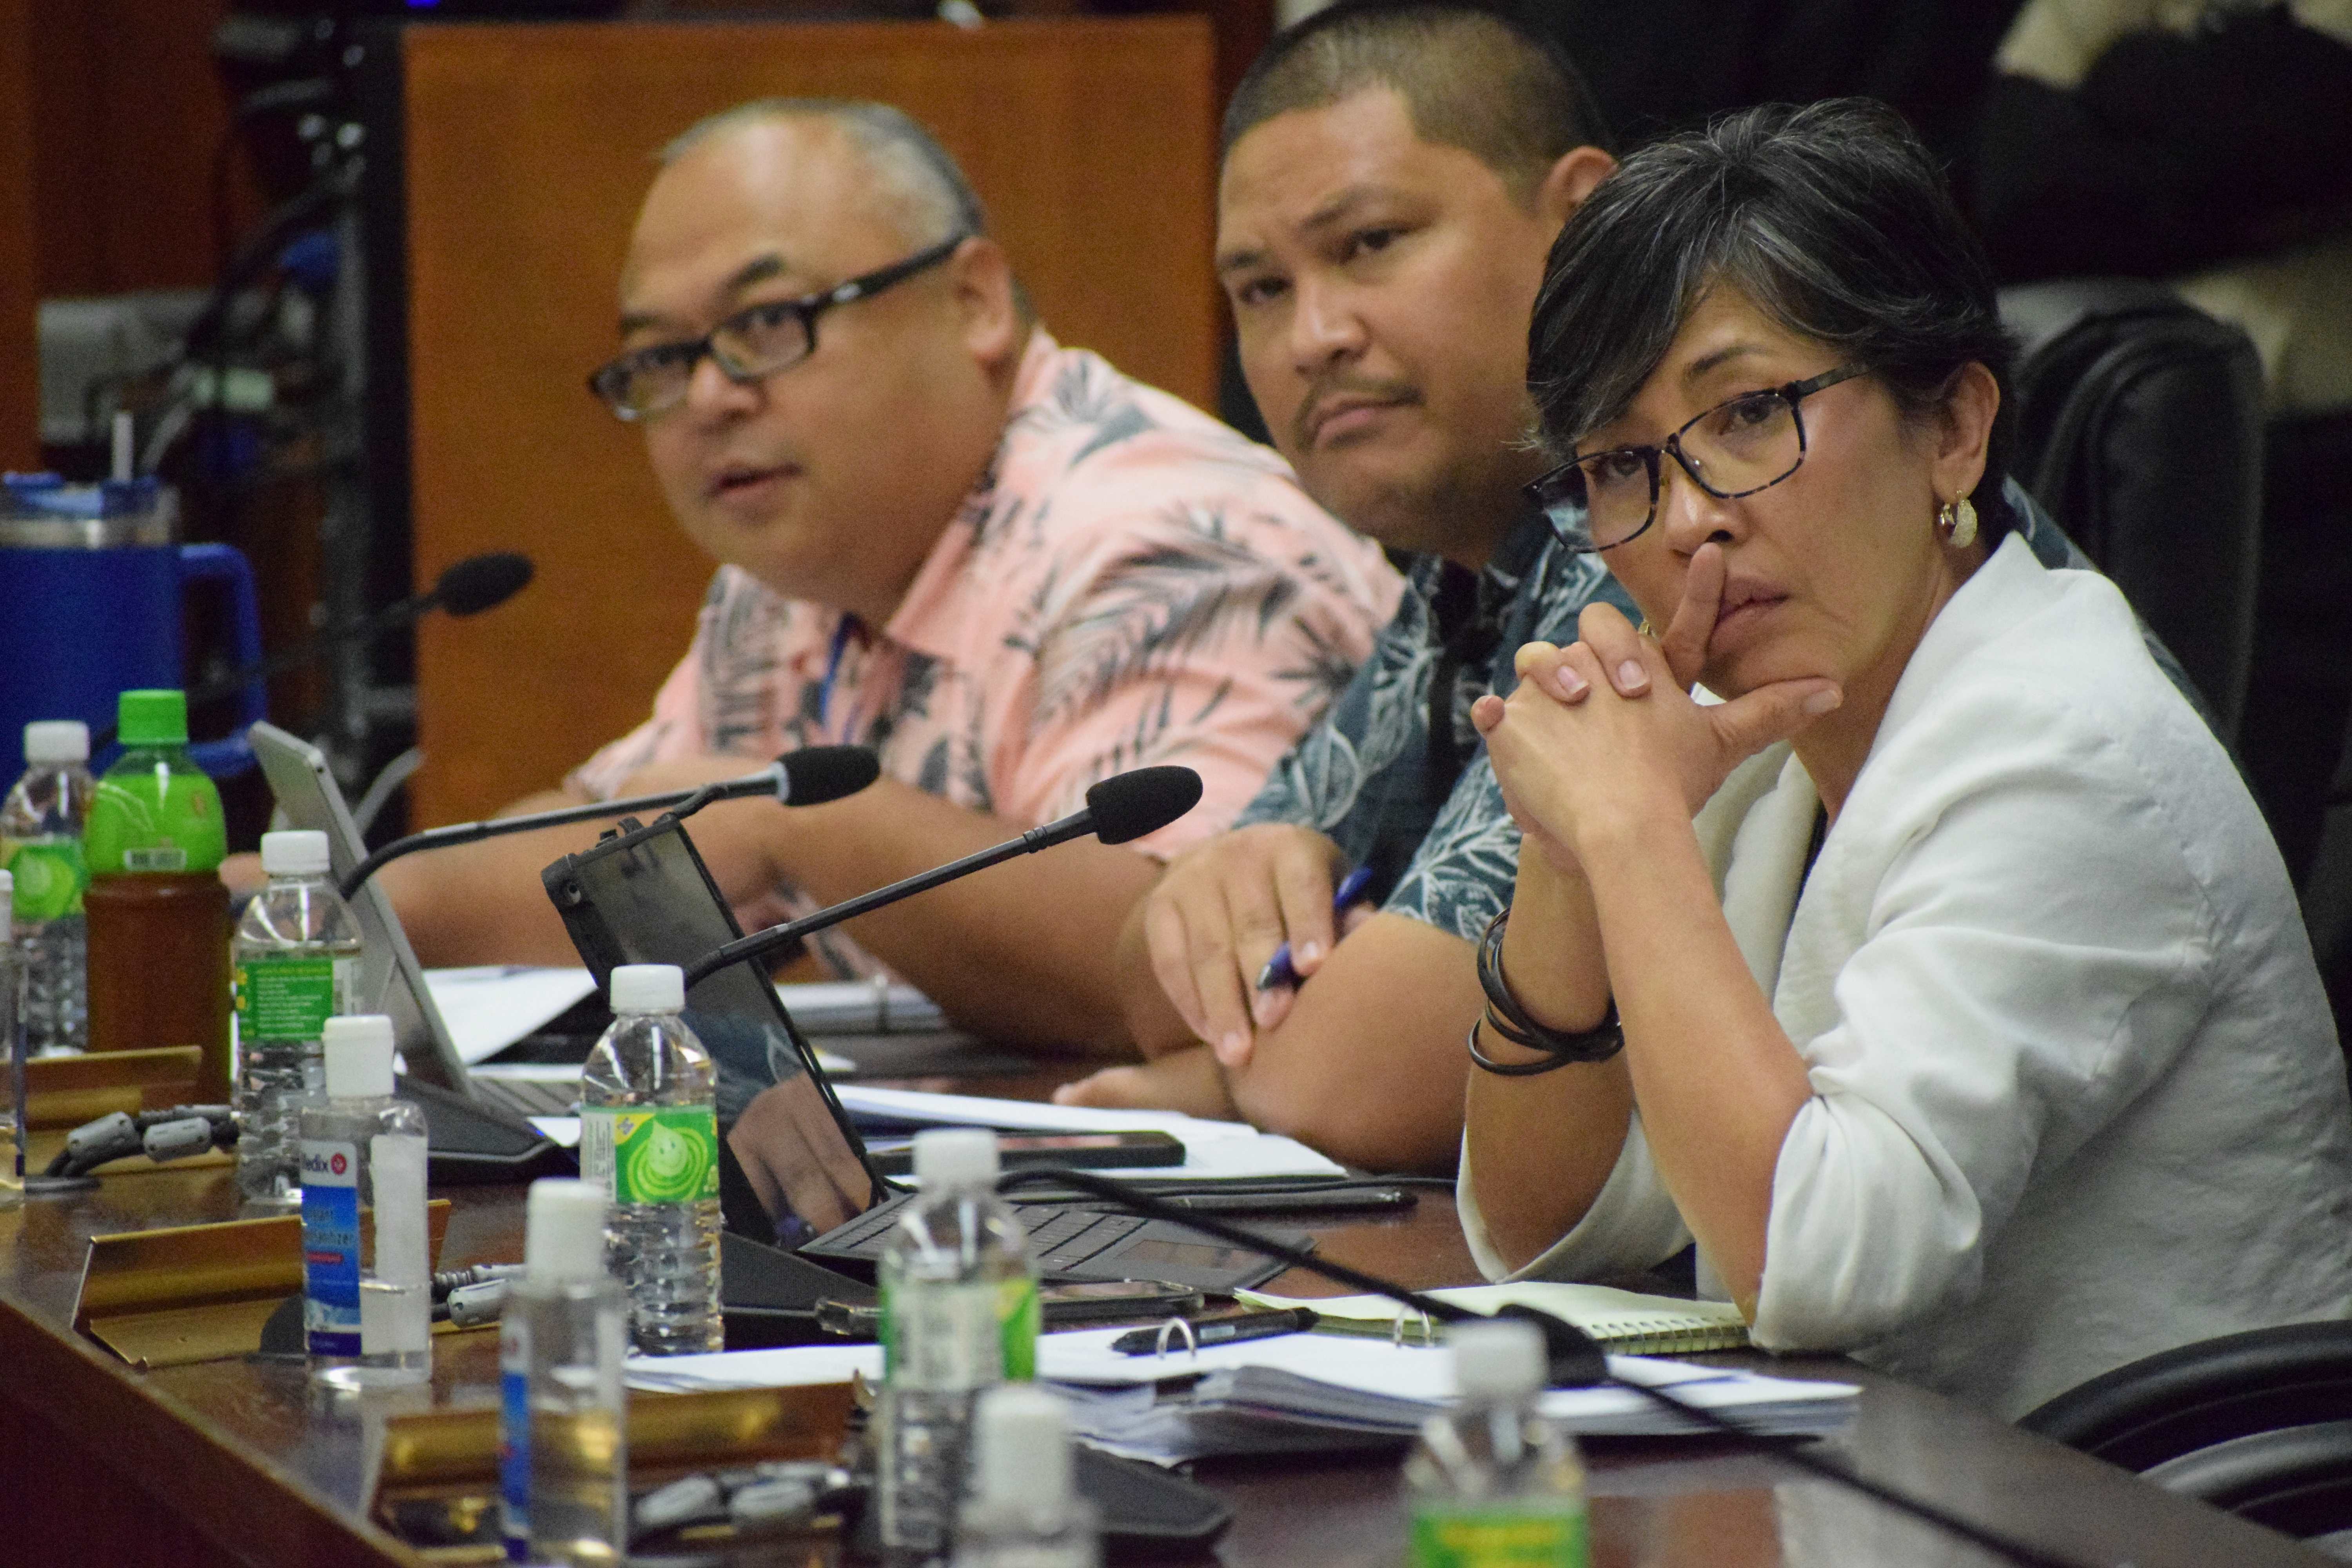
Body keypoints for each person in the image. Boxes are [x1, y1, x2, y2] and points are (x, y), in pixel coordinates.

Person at [1461, 100, 2352, 1417]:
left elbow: (1817, 1259)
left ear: (1954, 431)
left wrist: (1631, 830)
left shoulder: (2065, 747)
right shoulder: (1764, 744)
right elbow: (1551, 1228)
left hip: (2150, 1521)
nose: (1692, 517)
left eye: (1751, 412)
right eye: (1622, 463)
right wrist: (1570, 846)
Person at [366, 100, 1400, 1056]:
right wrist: (305, 903)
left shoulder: (1170, 543)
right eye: (662, 359)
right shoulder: (796, 573)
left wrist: (794, 821)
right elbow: (607, 838)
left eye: (767, 324)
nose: (710, 398)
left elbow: (1186, 968)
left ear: (973, 302)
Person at [1053, 0, 1634, 1173]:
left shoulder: (1666, 531)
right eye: (1261, 289)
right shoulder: (1463, 570)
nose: (1313, 335)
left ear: (1579, 223)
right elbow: (1156, 986)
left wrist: (1224, 1073)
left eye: (1369, 243)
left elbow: (1358, 1087)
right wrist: (1234, 876)